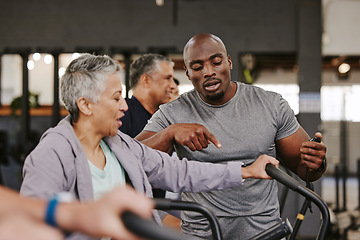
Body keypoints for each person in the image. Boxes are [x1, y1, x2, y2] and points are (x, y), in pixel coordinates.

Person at [20, 53, 279, 240]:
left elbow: (178, 172)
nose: (124, 106)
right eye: (116, 98)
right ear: (86, 105)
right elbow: (33, 225)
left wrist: (246, 171)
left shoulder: (118, 145)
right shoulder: (50, 155)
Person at [136, 33, 328, 240]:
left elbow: (305, 169)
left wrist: (316, 162)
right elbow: (133, 157)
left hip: (264, 232)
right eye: (198, 67)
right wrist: (170, 133)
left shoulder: (270, 105)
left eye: (216, 62)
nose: (209, 72)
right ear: (188, 73)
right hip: (202, 233)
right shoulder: (172, 113)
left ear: (228, 62)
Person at [0, 185, 154, 240]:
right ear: (85, 109)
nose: (125, 109)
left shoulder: (122, 145)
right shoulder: (54, 147)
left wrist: (76, 215)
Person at [119, 53, 177, 139]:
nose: (173, 86)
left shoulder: (167, 118)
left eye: (173, 79)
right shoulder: (122, 114)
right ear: (146, 80)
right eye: (168, 78)